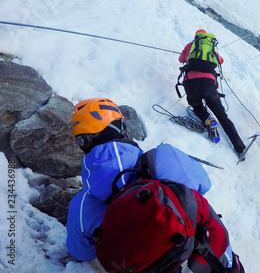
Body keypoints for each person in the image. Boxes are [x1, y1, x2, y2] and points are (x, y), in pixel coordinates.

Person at [66, 98, 244, 272]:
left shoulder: (81, 206)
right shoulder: (164, 157)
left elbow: (80, 253)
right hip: (207, 259)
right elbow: (203, 184)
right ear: (120, 128)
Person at [178, 29, 246, 159]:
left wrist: (188, 55)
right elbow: (220, 61)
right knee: (223, 117)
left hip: (191, 83)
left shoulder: (191, 45)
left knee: (197, 106)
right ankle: (240, 149)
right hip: (208, 84)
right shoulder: (210, 48)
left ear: (196, 36)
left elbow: (181, 59)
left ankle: (207, 119)